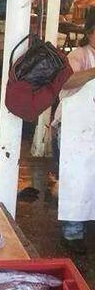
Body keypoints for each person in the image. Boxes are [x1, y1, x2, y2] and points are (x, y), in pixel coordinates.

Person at [52, 13, 95, 254]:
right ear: (90, 33)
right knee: (77, 179)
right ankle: (72, 232)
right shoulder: (78, 56)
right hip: (75, 131)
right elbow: (65, 82)